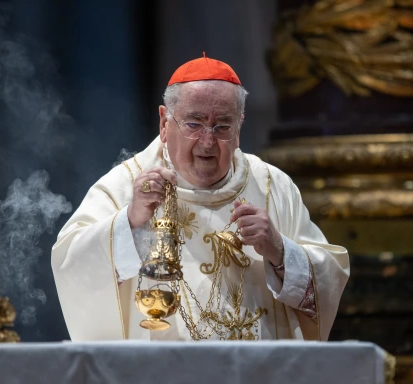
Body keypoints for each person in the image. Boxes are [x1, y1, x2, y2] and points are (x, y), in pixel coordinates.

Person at [51, 54, 349, 341]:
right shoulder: (126, 186)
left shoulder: (273, 186)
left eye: (222, 126)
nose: (207, 142)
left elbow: (329, 279)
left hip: (254, 376)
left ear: (239, 127)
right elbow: (71, 266)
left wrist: (279, 251)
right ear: (165, 123)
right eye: (194, 124)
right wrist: (129, 221)